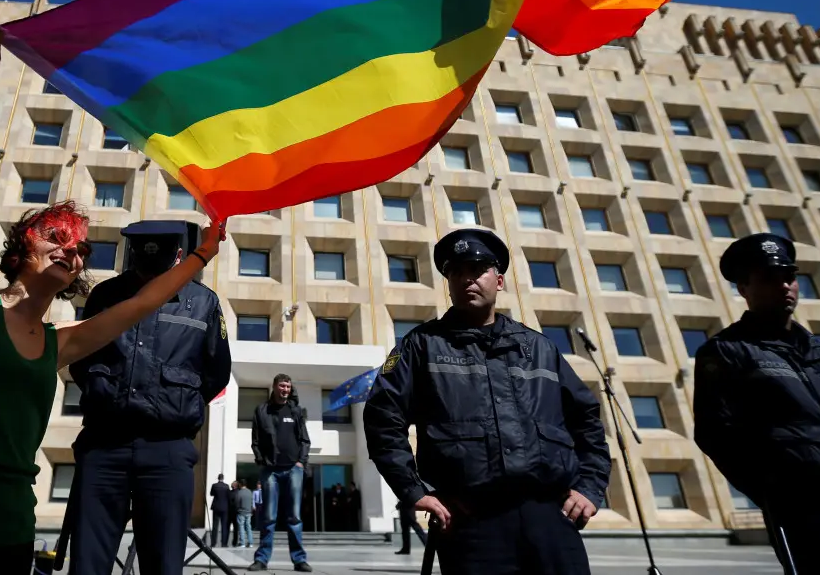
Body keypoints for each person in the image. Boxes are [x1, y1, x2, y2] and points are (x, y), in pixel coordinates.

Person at [0, 32, 225, 575]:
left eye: (79, 249)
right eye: (56, 235)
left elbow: (143, 302)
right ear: (21, 247)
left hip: (7, 531)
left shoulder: (62, 343)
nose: (70, 251)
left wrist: (201, 256)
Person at [364, 228, 610, 575]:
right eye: (456, 272)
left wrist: (589, 486)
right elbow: (382, 418)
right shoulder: (421, 345)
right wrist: (413, 490)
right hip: (470, 523)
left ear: (500, 279)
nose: (467, 279)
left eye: (477, 270)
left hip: (551, 517)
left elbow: (587, 421)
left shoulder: (540, 348)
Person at [694, 233, 820, 575]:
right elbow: (715, 433)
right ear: (744, 288)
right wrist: (775, 493)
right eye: (770, 279)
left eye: (789, 277)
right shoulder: (726, 351)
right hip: (803, 510)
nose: (785, 286)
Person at [68, 218, 231, 575]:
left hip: (168, 448)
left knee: (163, 564)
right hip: (103, 445)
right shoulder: (105, 295)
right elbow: (80, 358)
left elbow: (217, 370)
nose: (148, 255)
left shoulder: (203, 302)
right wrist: (105, 393)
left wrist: (176, 404)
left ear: (177, 253)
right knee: (87, 563)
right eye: (142, 248)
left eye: (157, 248)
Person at [250, 374, 312, 572]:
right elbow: (256, 440)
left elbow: (304, 440)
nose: (285, 389)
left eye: (288, 386)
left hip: (294, 469)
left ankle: (299, 559)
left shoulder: (296, 411)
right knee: (268, 517)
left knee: (294, 516)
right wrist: (261, 460)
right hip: (270, 471)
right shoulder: (262, 410)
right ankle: (261, 559)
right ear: (274, 387)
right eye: (282, 386)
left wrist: (301, 462)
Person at [210, 474, 232, 548]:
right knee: (224, 526)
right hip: (224, 508)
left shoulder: (214, 485)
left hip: (216, 507)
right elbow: (228, 496)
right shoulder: (226, 486)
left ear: (218, 478)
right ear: (223, 478)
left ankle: (213, 543)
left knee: (215, 526)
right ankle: (224, 543)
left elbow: (211, 493)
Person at [234, 479, 254, 548]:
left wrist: (237, 509)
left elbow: (236, 503)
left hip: (241, 512)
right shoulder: (250, 492)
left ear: (240, 484)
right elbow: (252, 502)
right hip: (249, 512)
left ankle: (242, 543)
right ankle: (250, 543)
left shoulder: (239, 493)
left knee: (241, 527)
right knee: (249, 527)